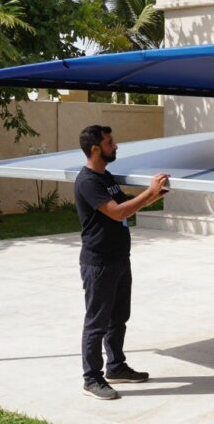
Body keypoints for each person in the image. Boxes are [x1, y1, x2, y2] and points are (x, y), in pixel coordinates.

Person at [74, 125, 169, 400]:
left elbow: (124, 202)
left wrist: (154, 196)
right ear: (95, 149)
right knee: (97, 322)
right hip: (99, 263)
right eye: (110, 142)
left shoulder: (107, 177)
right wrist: (148, 193)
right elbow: (117, 212)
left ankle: (115, 367)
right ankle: (92, 378)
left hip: (119, 259)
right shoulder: (88, 181)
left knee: (118, 318)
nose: (115, 146)